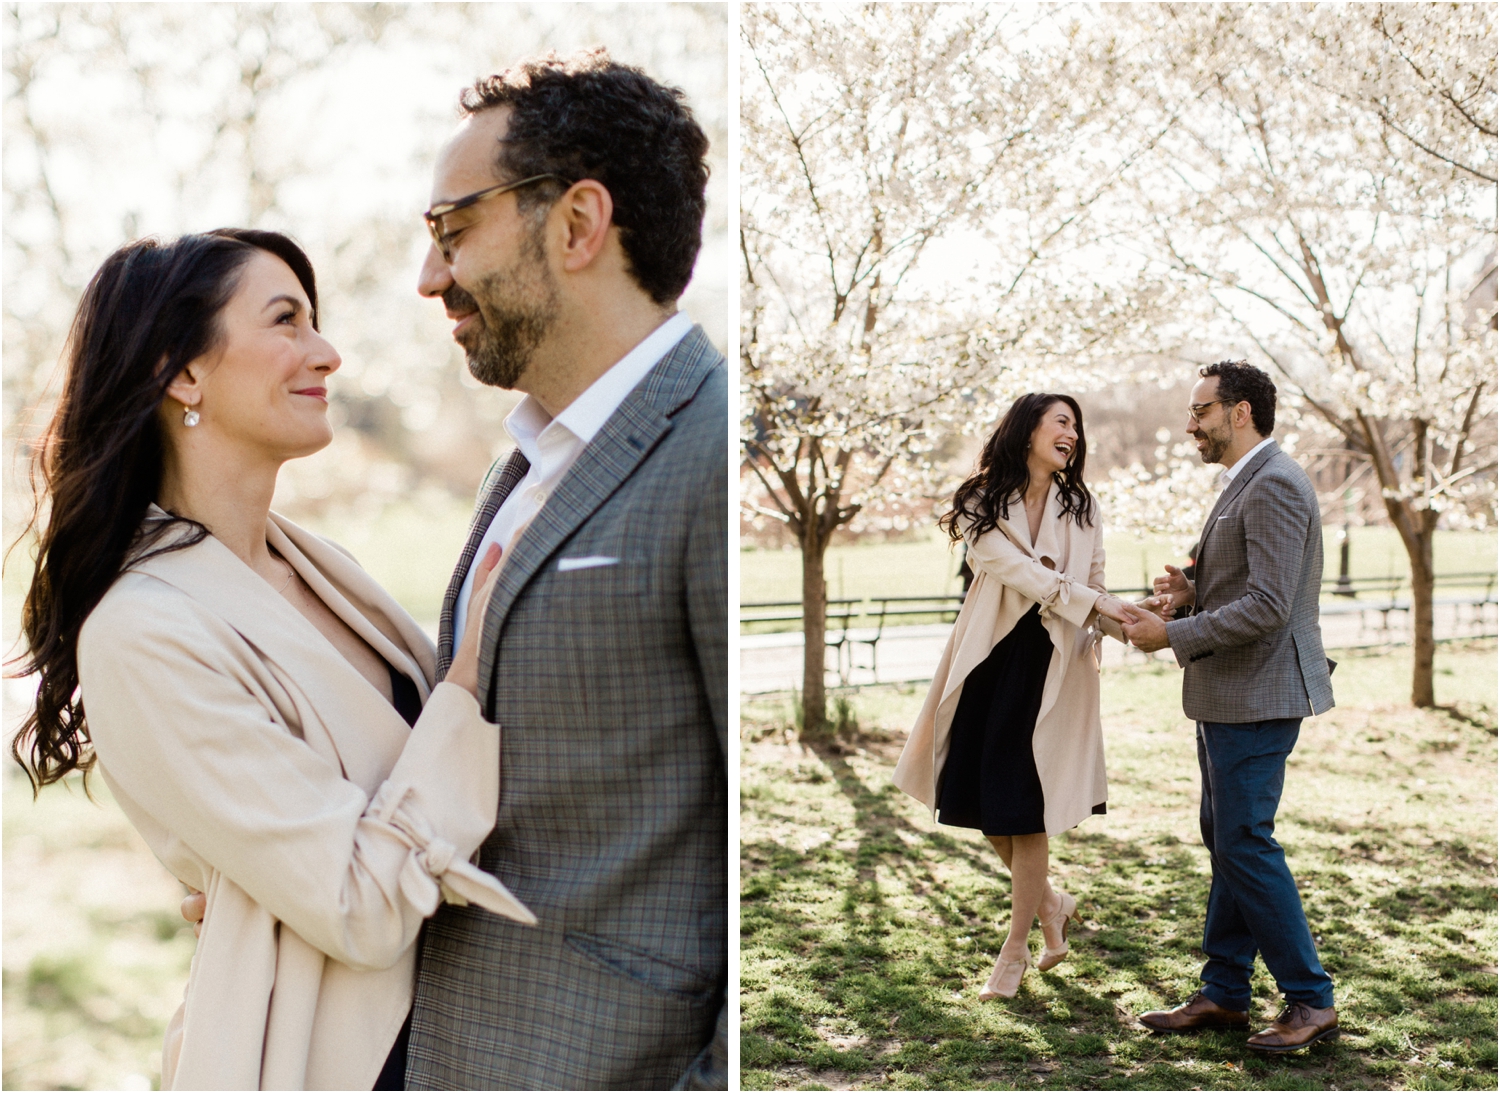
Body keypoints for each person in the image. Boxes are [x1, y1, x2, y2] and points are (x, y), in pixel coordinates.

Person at [12, 228, 533, 1091]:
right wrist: (468, 678)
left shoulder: (317, 563)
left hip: (463, 1023)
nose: (325, 352)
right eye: (285, 320)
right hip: (339, 1056)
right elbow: (361, 907)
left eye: (315, 321)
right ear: (182, 371)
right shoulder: (143, 630)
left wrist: (256, 894)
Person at [405, 51, 727, 1089]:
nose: (430, 279)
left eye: (454, 233)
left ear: (578, 225)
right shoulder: (529, 461)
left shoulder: (713, 449)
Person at [1120, 360, 1338, 1052]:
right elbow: (1250, 581)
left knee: (1244, 841)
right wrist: (1192, 590)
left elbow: (1272, 605)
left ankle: (1310, 998)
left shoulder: (1273, 482)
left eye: (1201, 410)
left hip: (1259, 691)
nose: (1190, 425)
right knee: (1230, 841)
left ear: (1240, 411)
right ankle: (1224, 992)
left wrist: (1173, 632)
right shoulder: (1247, 480)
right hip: (1233, 691)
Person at [893, 393, 1137, 1000]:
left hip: (1051, 666)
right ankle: (1051, 904)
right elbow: (1012, 569)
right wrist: (1092, 601)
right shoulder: (982, 500)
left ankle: (1016, 947)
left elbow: (1096, 585)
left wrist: (1132, 618)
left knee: (1026, 809)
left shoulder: (1082, 506)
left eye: (1077, 426)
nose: (1072, 434)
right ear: (1028, 428)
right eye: (1062, 422)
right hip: (990, 660)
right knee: (987, 807)